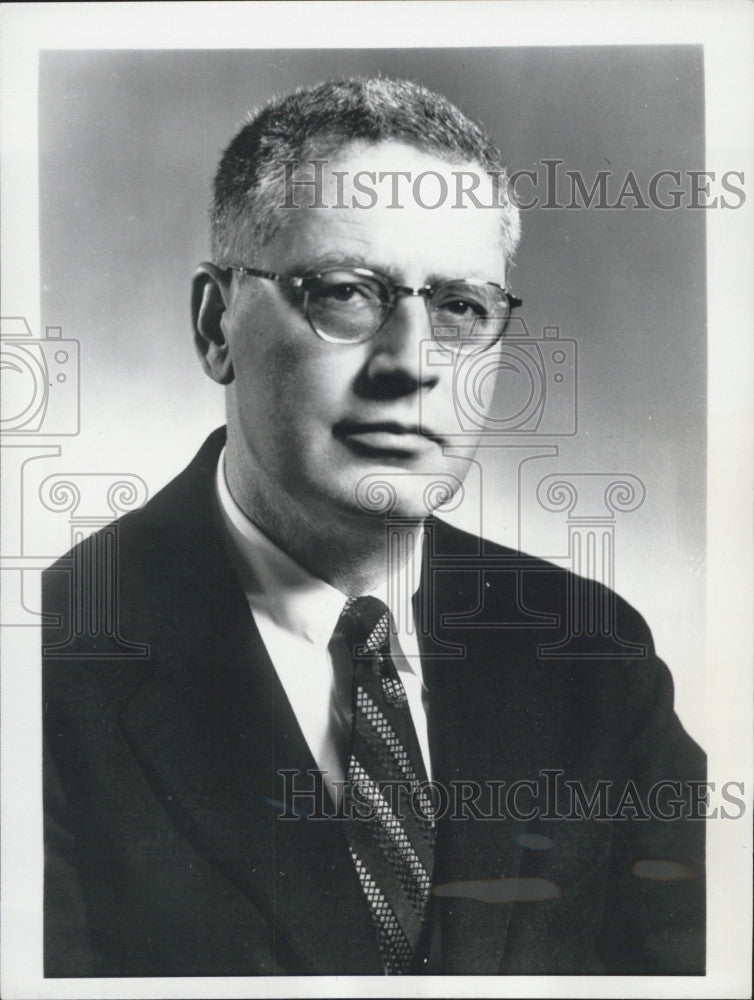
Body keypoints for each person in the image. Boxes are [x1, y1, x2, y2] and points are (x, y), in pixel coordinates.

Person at [42, 76, 705, 978]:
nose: (411, 365)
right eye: (347, 294)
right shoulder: (48, 668)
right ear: (215, 326)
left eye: (461, 309)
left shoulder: (592, 655)